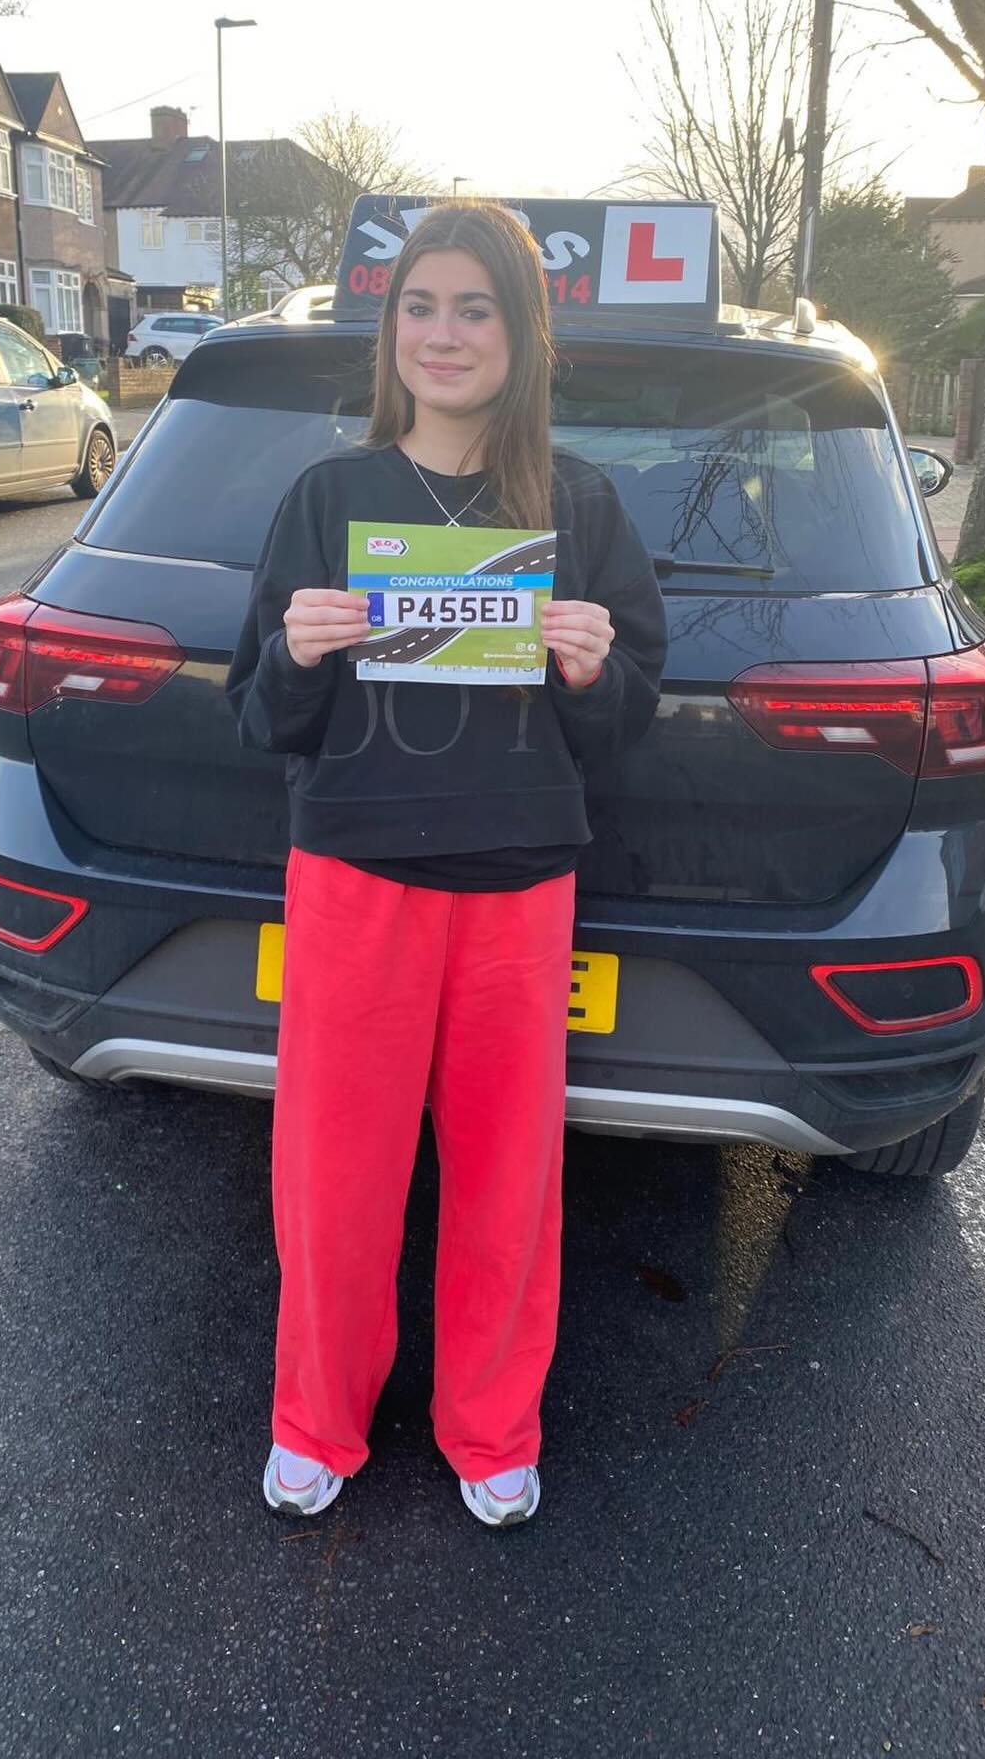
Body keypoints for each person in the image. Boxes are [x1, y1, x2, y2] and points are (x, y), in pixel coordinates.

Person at [225, 202, 667, 1527]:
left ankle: (492, 1430)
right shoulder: (330, 498)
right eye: (422, 306)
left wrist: (595, 666)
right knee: (333, 1177)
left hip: (520, 886)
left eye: (477, 308)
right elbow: (262, 717)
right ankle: (316, 1421)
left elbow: (626, 714)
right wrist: (297, 652)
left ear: (524, 335)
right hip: (356, 876)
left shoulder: (577, 504)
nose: (444, 333)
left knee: (506, 1178)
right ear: (390, 329)